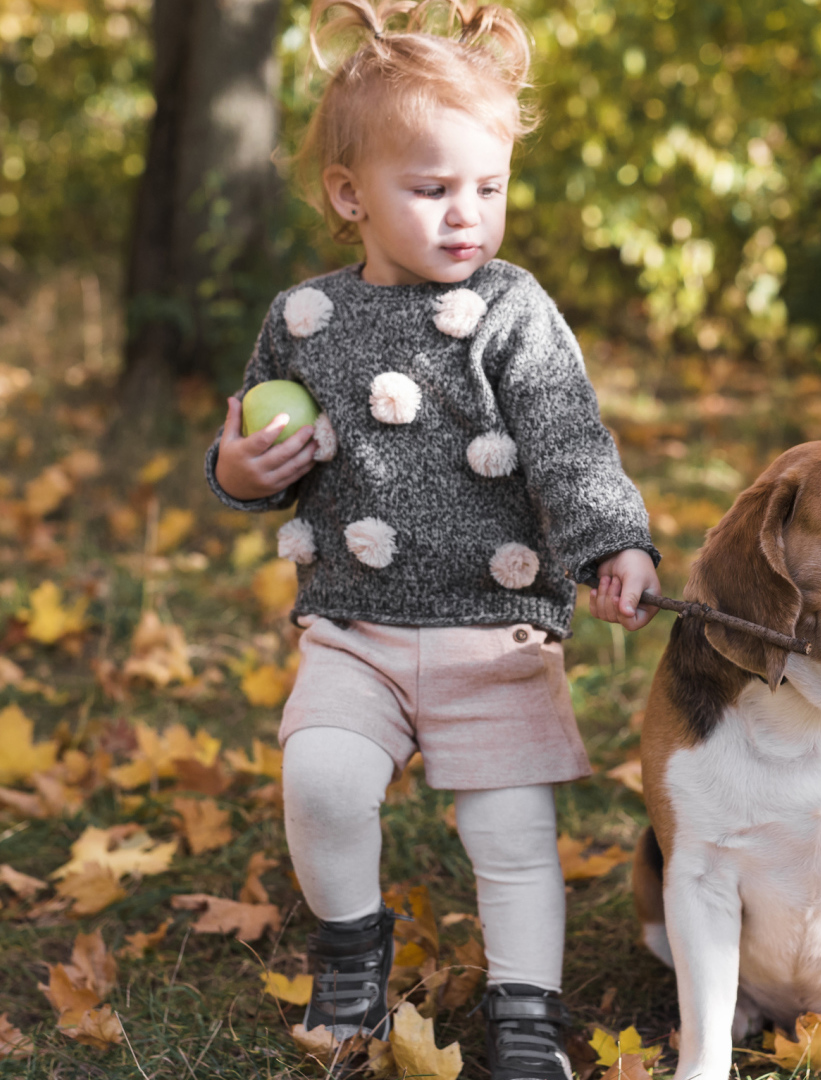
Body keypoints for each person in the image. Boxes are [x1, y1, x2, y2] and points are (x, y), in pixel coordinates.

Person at [204, 1, 659, 1076]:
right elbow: (260, 450)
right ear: (349, 195)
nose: (468, 217)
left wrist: (612, 542)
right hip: (353, 628)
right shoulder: (303, 319)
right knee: (318, 779)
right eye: (433, 189)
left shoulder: (512, 310)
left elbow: (567, 442)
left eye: (488, 189)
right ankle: (353, 946)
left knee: (509, 838)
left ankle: (524, 1016)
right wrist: (238, 473)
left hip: (493, 631)